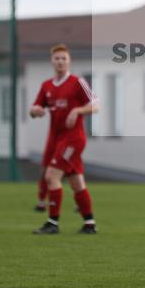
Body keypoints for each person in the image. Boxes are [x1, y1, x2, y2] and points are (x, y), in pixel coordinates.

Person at [29, 44, 100, 234]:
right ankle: (89, 224)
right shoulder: (47, 86)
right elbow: (36, 108)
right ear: (52, 61)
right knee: (76, 182)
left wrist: (78, 110)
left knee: (51, 176)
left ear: (69, 62)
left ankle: (53, 223)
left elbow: (95, 105)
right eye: (57, 58)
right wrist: (35, 111)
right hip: (57, 140)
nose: (60, 61)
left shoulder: (78, 82)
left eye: (64, 58)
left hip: (73, 139)